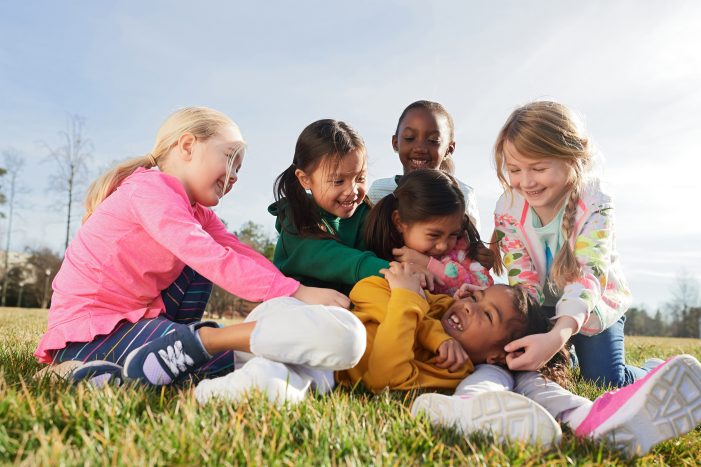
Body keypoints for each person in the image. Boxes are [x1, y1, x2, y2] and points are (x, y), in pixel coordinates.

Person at [34, 106, 360, 387]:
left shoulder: (195, 212)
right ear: (187, 145)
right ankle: (79, 369)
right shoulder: (150, 190)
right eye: (230, 160)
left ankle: (183, 342)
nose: (233, 177)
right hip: (91, 334)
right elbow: (212, 257)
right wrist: (295, 292)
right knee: (217, 351)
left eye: (239, 170)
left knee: (213, 352)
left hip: (135, 321)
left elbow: (235, 250)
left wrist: (293, 291)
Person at [489, 100, 645, 388]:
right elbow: (523, 279)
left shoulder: (595, 202)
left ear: (571, 158)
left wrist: (557, 336)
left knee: (603, 381)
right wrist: (536, 330)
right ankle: (566, 356)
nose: (525, 181)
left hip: (593, 305)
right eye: (514, 169)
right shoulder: (509, 208)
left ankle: (653, 372)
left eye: (537, 168)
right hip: (542, 306)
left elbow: (588, 277)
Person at [412, 353, 701, 457]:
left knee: (541, 386)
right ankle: (470, 405)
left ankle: (590, 416)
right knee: (487, 378)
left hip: (526, 360)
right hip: (488, 362)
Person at [268, 119, 400, 296]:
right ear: (305, 179)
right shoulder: (296, 216)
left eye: (360, 178)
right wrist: (391, 272)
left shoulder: (365, 214)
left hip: (348, 312)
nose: (352, 191)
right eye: (338, 181)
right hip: (296, 309)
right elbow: (331, 257)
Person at [365, 169, 492, 296]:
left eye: (453, 234)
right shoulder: (382, 258)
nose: (443, 245)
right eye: (434, 235)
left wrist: (428, 264)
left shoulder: (461, 249)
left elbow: (484, 290)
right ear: (399, 222)